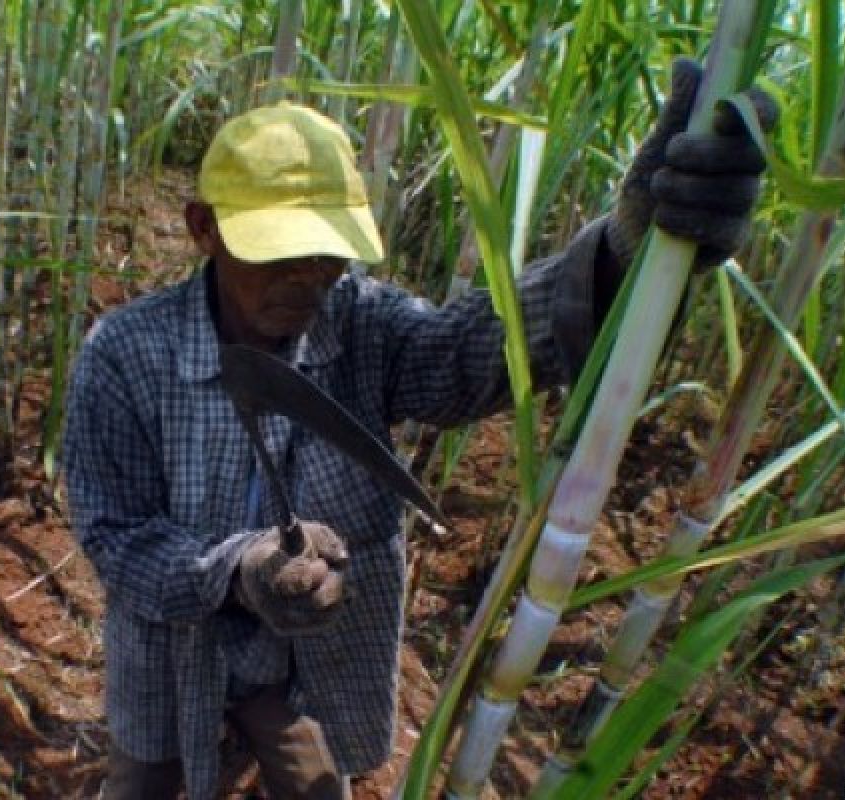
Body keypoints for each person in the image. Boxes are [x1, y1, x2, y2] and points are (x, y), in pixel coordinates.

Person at [62, 59, 777, 799]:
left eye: (328, 252)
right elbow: (115, 533)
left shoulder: (363, 324)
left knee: (316, 788)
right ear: (202, 228)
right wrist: (237, 571)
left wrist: (626, 257)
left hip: (305, 654)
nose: (308, 276)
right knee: (146, 780)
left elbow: (472, 349)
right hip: (175, 645)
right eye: (278, 250)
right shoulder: (125, 355)